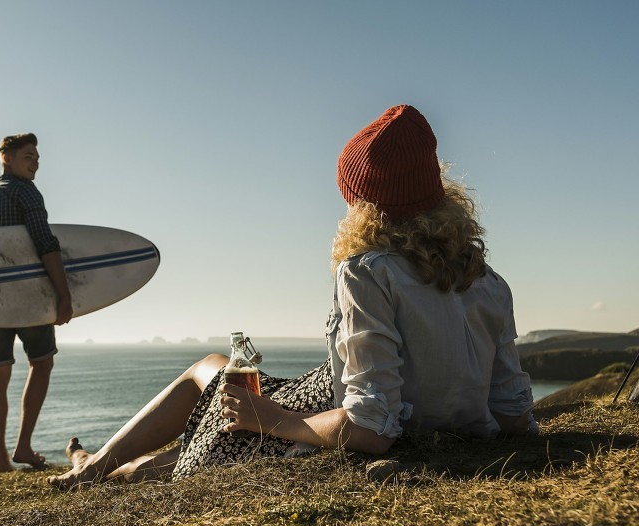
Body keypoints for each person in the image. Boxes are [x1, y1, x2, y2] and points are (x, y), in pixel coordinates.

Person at [48, 105, 535, 489]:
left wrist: (274, 419)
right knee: (211, 377)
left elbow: (372, 429)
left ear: (365, 204)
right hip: (330, 394)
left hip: (319, 415)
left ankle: (94, 467)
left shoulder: (367, 272)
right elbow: (513, 415)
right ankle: (92, 462)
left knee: (200, 400)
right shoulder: (489, 282)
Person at [0, 133, 73, 473]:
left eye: (37, 157)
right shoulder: (26, 191)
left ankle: (0, 458)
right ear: (6, 158)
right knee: (41, 363)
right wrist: (64, 294)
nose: (36, 162)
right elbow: (45, 243)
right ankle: (23, 445)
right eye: (29, 156)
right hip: (29, 298)